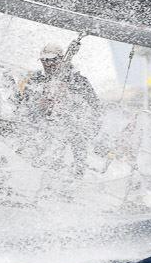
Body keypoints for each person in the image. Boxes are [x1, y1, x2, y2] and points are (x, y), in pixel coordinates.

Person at [12, 42, 102, 177]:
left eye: (52, 60)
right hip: (39, 130)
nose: (47, 64)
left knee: (73, 151)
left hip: (69, 132)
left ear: (61, 59)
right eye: (44, 60)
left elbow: (95, 109)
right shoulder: (34, 79)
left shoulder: (79, 81)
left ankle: (75, 177)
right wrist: (38, 104)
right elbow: (19, 105)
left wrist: (67, 100)